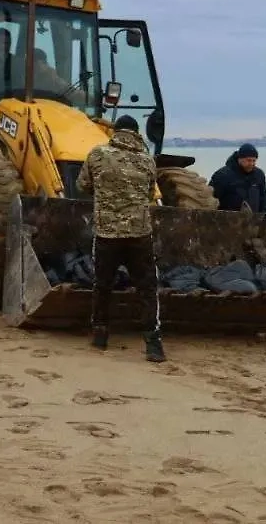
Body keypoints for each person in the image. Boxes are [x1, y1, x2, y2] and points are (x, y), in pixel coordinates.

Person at [76, 114, 165, 363]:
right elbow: (149, 193)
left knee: (102, 284)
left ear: (115, 131)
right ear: (137, 133)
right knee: (147, 287)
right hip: (139, 234)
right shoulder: (147, 160)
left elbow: (83, 185)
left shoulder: (97, 154)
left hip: (107, 234)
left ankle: (100, 335)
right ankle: (153, 343)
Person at [209, 143, 266, 245]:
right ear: (240, 159)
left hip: (253, 222)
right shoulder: (222, 175)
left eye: (254, 161)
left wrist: (263, 216)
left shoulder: (259, 174)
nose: (251, 163)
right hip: (228, 223)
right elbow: (212, 200)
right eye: (248, 160)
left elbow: (263, 197)